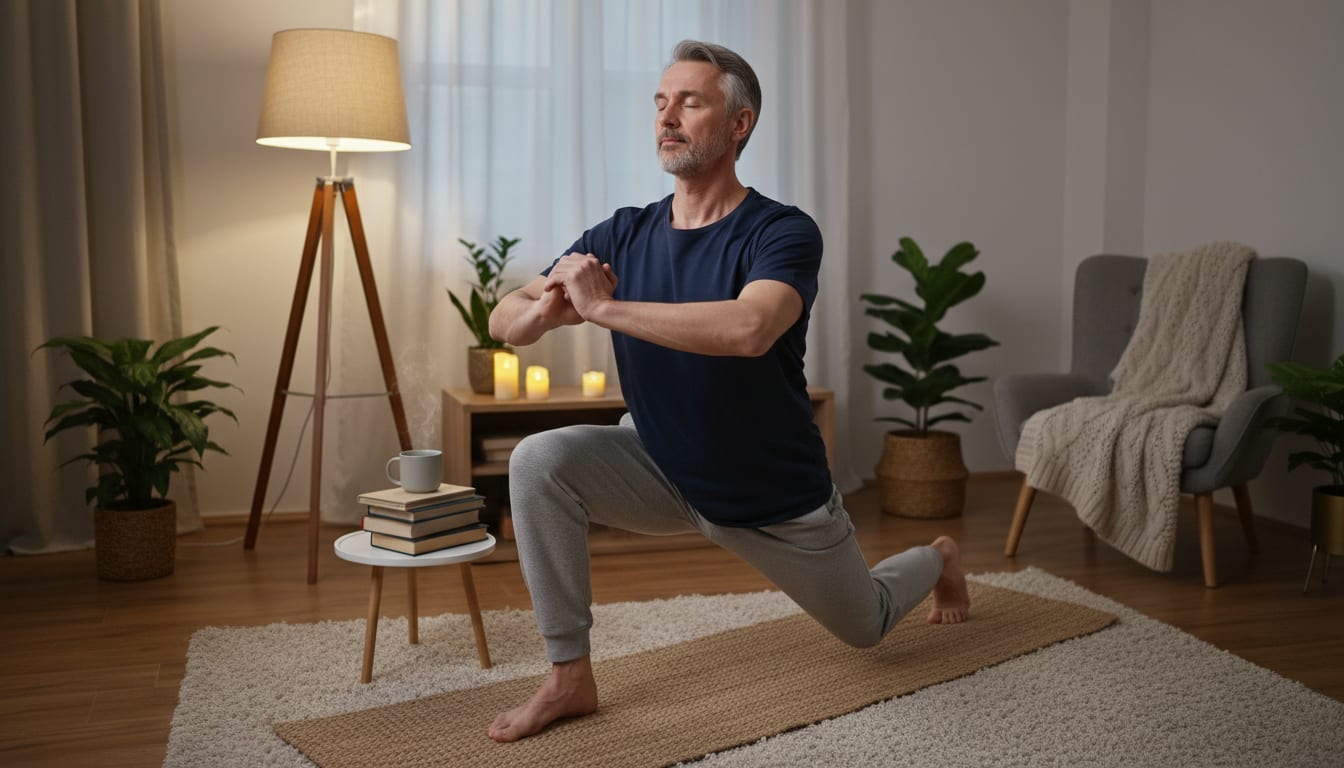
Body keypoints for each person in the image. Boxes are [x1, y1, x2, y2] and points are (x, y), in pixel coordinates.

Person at [485, 39, 969, 743]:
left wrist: (604, 310)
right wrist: (543, 312)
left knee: (866, 626)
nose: (666, 117)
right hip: (658, 464)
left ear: (739, 124)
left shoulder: (782, 231)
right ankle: (570, 677)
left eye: (690, 101)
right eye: (659, 101)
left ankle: (941, 560)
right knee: (538, 460)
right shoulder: (623, 232)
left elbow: (750, 327)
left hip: (768, 495)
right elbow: (506, 319)